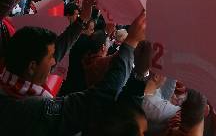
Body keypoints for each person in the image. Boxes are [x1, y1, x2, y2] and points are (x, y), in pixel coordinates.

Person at [0, 11, 147, 135]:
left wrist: (81, 20)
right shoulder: (30, 110)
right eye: (50, 58)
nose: (53, 62)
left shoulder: (10, 81)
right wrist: (130, 44)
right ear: (32, 67)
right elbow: (96, 100)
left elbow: (57, 51)